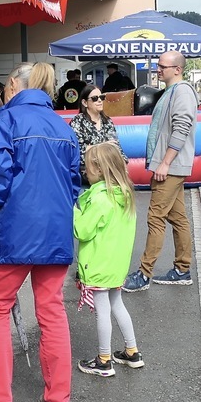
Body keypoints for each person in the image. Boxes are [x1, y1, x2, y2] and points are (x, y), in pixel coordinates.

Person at [0, 62, 80, 402]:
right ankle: (58, 397)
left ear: (13, 84)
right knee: (51, 310)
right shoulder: (64, 127)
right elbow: (75, 182)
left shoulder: (8, 120)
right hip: (55, 230)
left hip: (15, 229)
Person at [123, 51, 198, 292]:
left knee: (155, 218)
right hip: (171, 165)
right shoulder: (172, 91)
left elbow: (181, 128)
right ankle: (182, 269)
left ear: (177, 69)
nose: (158, 69)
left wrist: (165, 163)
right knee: (177, 218)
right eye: (158, 65)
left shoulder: (183, 92)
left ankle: (144, 274)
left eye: (163, 66)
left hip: (171, 166)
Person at [73, 142, 143, 377]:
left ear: (100, 169)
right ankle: (132, 351)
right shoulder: (124, 195)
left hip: (99, 263)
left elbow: (82, 231)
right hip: (116, 265)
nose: (84, 170)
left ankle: (104, 360)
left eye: (88, 167)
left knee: (102, 311)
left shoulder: (100, 199)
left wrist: (73, 210)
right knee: (117, 305)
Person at [69, 84, 126, 186]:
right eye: (95, 98)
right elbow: (78, 151)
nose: (100, 100)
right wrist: (104, 146)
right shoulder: (78, 121)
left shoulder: (107, 121)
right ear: (85, 102)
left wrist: (123, 163)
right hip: (87, 176)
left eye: (102, 97)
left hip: (109, 174)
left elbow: (116, 146)